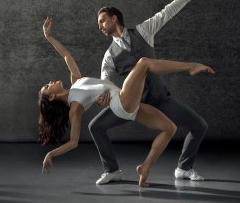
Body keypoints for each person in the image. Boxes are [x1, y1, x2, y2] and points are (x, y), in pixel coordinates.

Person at [38, 17, 214, 187]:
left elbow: (66, 56)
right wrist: (52, 154)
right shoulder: (74, 107)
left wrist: (49, 37)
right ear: (52, 97)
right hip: (120, 102)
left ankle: (145, 167)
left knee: (169, 128)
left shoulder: (75, 81)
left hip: (125, 103)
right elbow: (74, 141)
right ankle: (191, 66)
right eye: (47, 86)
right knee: (144, 63)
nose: (50, 82)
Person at [90, 0, 216, 185]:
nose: (100, 26)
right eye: (99, 23)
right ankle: (111, 170)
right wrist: (103, 95)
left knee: (200, 126)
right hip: (134, 106)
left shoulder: (144, 31)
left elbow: (167, 11)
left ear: (114, 18)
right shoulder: (108, 57)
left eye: (102, 21)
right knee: (95, 126)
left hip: (160, 98)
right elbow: (105, 83)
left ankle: (183, 168)